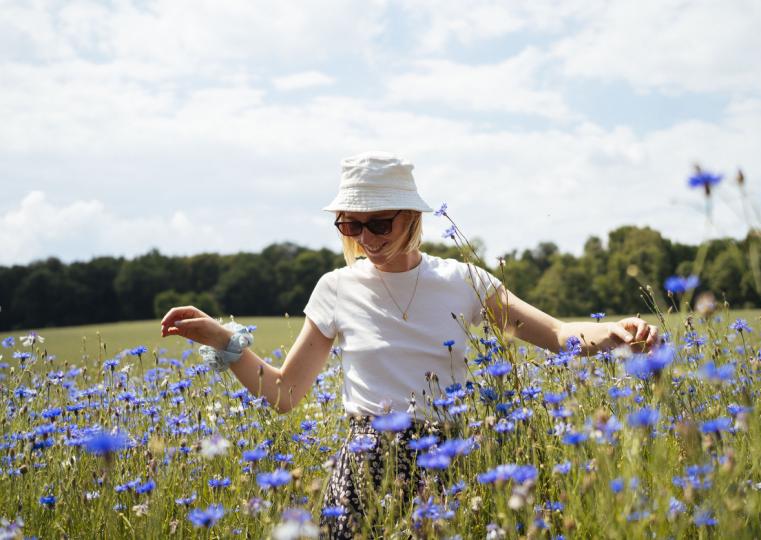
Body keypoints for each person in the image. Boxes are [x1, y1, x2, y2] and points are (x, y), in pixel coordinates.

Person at [160, 152, 660, 538]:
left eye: (380, 223)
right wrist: (225, 342)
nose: (367, 238)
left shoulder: (463, 279)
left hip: (454, 458)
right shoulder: (335, 287)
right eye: (351, 225)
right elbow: (286, 394)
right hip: (364, 462)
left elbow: (554, 335)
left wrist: (613, 333)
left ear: (413, 218)